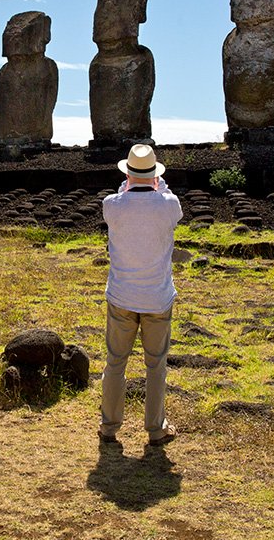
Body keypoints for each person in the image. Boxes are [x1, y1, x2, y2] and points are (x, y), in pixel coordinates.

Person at [99, 144, 183, 446]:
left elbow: (122, 194)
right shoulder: (169, 204)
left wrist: (130, 185)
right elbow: (169, 203)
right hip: (157, 298)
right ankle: (155, 428)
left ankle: (109, 427)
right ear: (156, 177)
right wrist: (157, 187)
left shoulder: (112, 204)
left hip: (122, 296)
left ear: (127, 173)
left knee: (115, 362)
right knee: (156, 365)